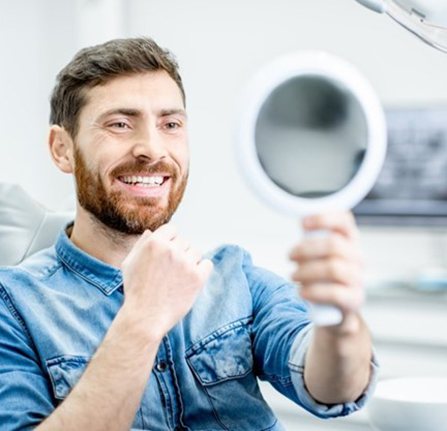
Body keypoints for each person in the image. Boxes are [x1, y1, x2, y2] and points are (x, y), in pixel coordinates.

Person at [0, 37, 377, 431]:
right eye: (120, 124)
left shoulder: (235, 277)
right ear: (62, 149)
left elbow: (335, 389)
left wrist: (341, 321)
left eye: (171, 124)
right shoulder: (13, 306)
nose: (152, 148)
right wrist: (142, 319)